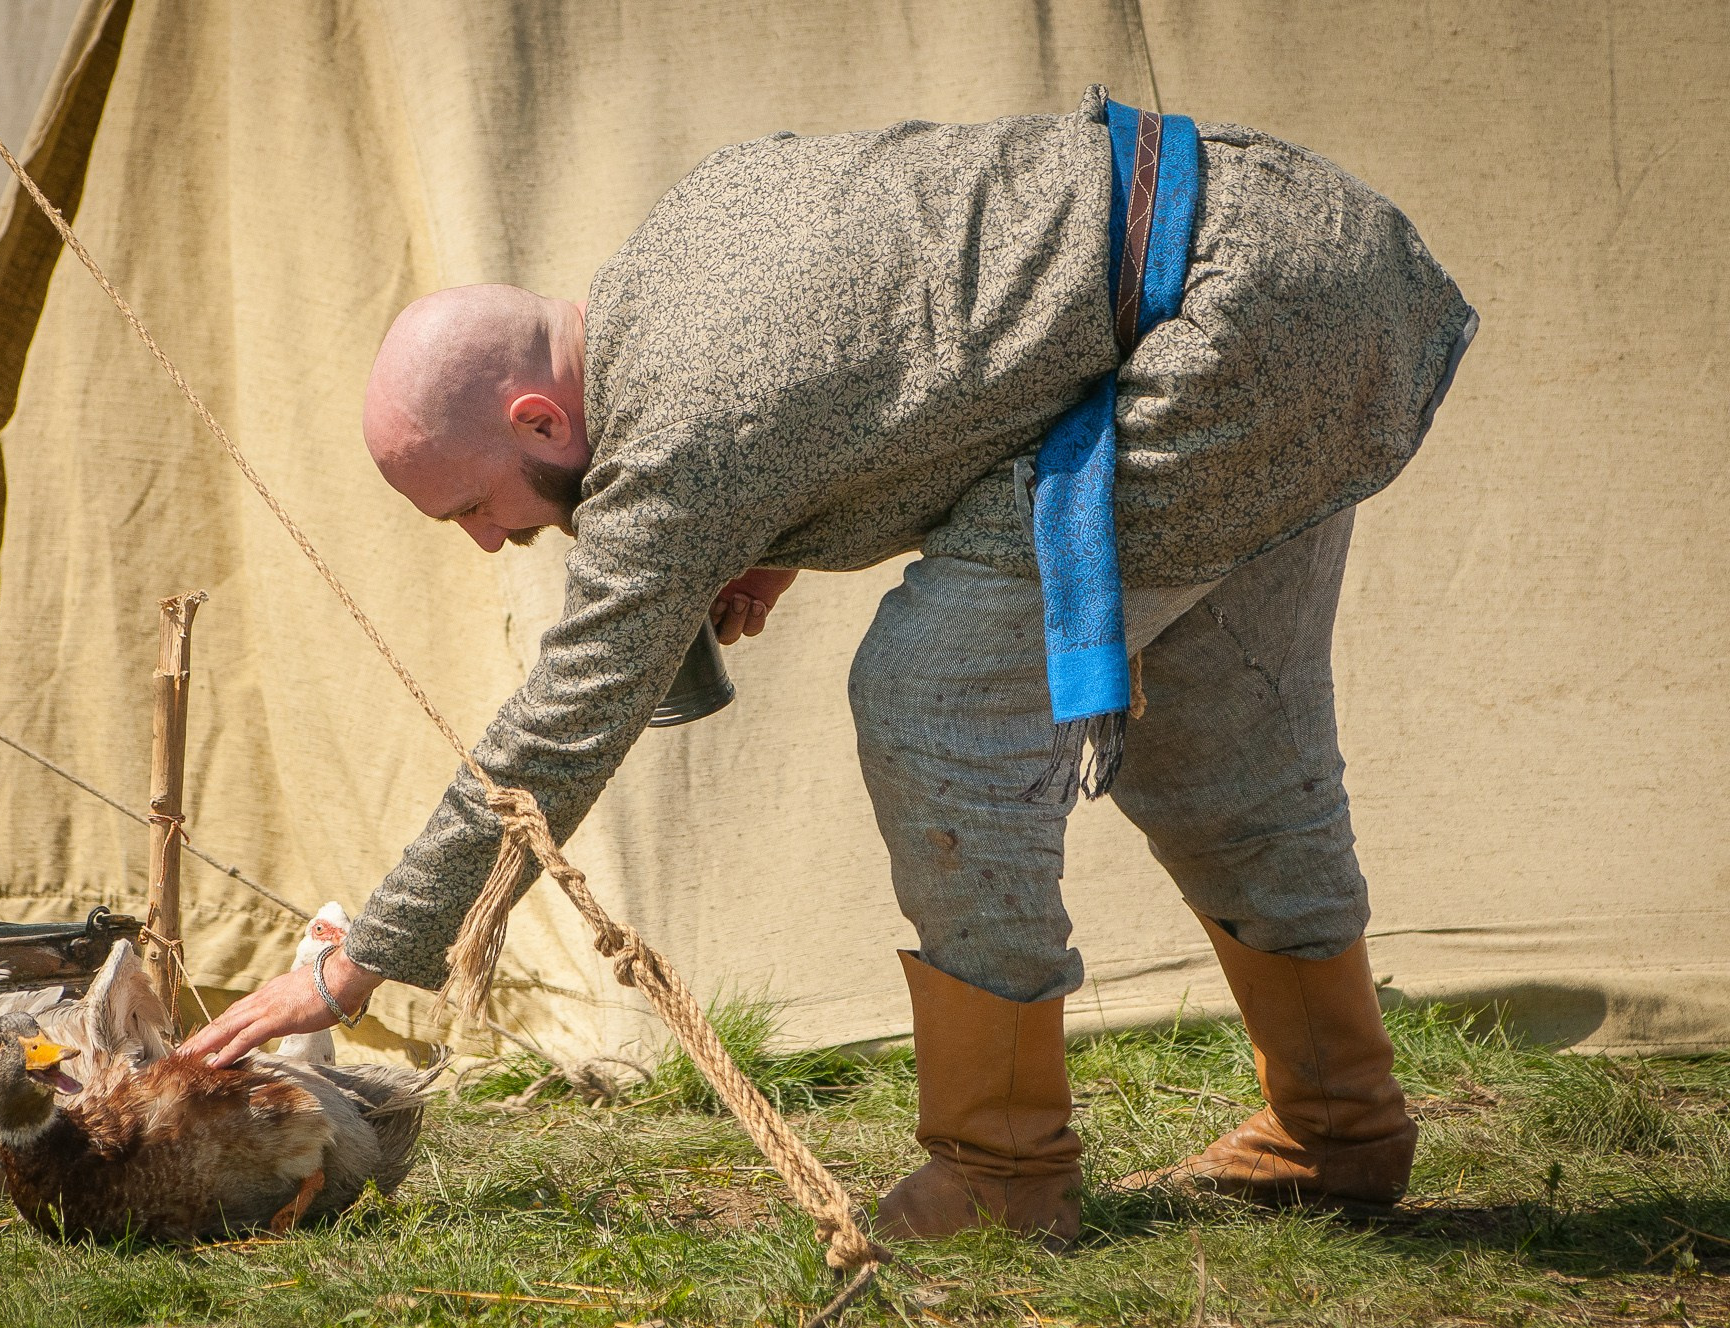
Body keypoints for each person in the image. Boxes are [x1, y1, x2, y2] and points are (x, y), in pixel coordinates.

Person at [183, 85, 1476, 1244]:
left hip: (1230, 329)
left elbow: (569, 717)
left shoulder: (680, 433)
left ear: (538, 418)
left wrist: (362, 960)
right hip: (1303, 251)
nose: (486, 543)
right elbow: (918, 338)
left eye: (474, 507)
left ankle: (1003, 1170)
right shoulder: (685, 235)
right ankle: (1338, 1127)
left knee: (932, 701)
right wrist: (781, 525)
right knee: (1225, 740)